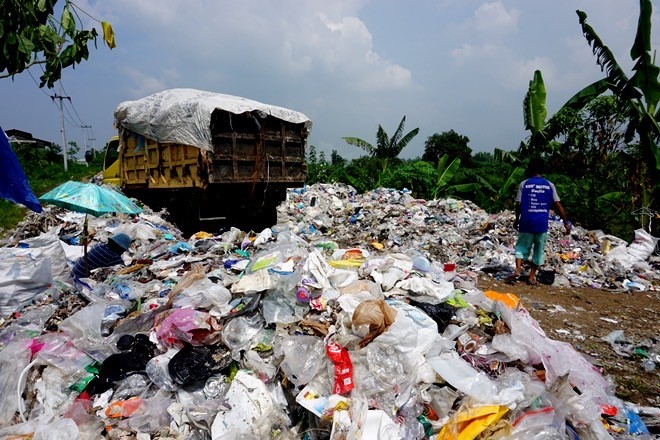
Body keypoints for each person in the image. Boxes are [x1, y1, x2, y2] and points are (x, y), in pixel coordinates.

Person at [510, 158, 570, 285]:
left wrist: (517, 219)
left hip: (526, 221)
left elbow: (518, 204)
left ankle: (518, 269)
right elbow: (558, 205)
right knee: (538, 250)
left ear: (530, 169)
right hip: (541, 223)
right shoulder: (549, 185)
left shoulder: (524, 184)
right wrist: (566, 222)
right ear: (542, 170)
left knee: (521, 247)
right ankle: (531, 277)